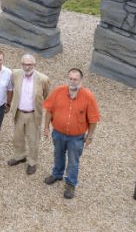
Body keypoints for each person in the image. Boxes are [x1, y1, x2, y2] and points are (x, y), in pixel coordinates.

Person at [43, 68, 100, 199]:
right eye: (70, 78)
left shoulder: (88, 97)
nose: (72, 81)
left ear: (81, 80)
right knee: (58, 154)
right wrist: (46, 127)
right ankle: (57, 174)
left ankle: (71, 183)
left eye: (75, 79)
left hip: (76, 137)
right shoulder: (58, 91)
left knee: (74, 160)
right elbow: (49, 110)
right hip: (58, 133)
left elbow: (93, 119)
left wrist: (90, 136)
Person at [7, 53, 50, 175]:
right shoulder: (15, 74)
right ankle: (20, 156)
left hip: (33, 114)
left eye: (29, 64)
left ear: (34, 65)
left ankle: (32, 162)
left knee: (33, 139)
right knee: (18, 137)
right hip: (19, 112)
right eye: (24, 64)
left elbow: (46, 95)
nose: (27, 67)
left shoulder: (43, 79)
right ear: (21, 64)